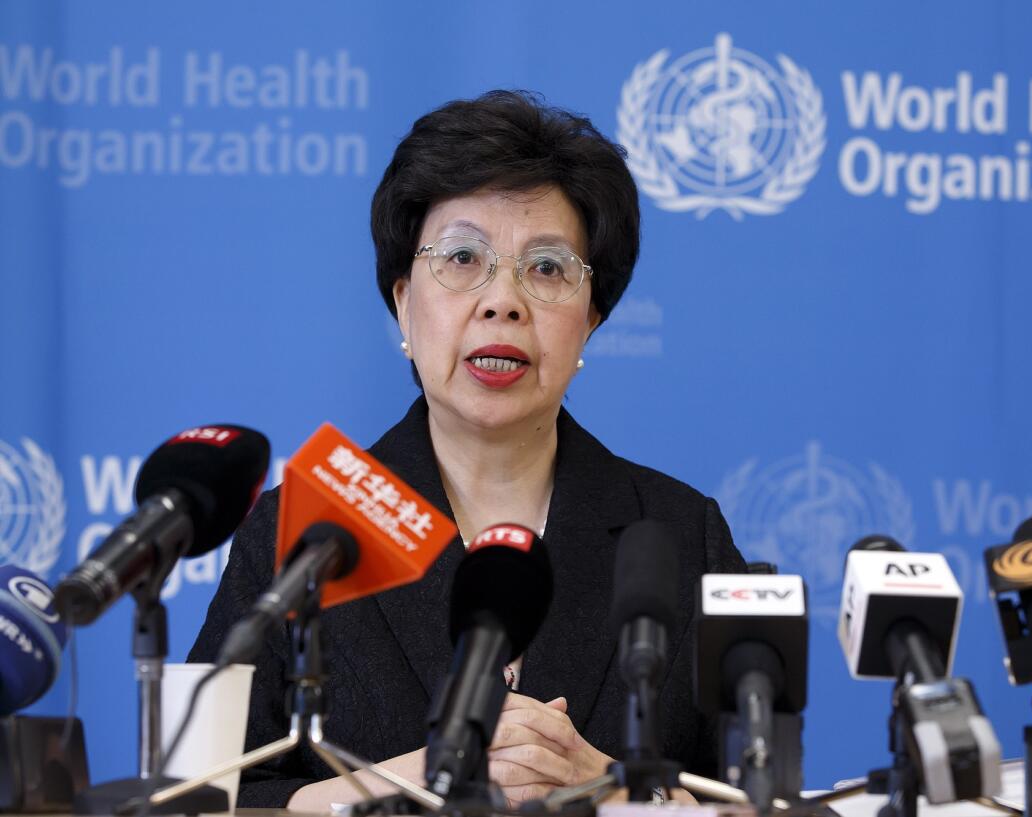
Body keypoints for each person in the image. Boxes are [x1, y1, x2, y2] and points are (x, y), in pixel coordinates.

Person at [188, 90, 746, 811]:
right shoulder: (305, 527)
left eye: (547, 268)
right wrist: (410, 783)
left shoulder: (679, 536)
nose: (502, 300)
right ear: (402, 302)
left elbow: (757, 796)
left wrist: (613, 787)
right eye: (461, 257)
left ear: (591, 320)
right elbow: (199, 796)